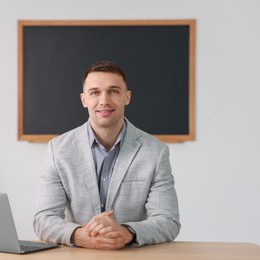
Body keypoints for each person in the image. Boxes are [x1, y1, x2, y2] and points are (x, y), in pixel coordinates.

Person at [33, 60, 180, 249]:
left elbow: (168, 221)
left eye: (113, 91)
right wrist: (79, 236)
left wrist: (127, 233)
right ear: (84, 99)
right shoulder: (58, 149)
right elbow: (43, 219)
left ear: (127, 97)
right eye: (95, 92)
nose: (104, 100)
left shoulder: (155, 151)